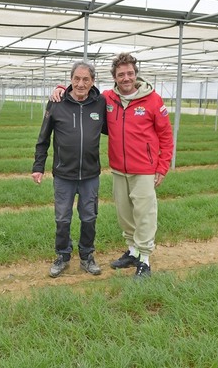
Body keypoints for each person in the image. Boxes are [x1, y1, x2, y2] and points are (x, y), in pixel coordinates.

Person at [52, 52, 174, 278]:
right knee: (125, 214)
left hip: (144, 169)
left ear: (136, 74)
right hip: (119, 168)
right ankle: (132, 251)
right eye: (121, 74)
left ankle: (144, 259)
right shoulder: (107, 99)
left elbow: (166, 135)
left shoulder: (153, 100)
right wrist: (61, 88)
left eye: (129, 73)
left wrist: (162, 166)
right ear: (115, 78)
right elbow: (82, 90)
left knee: (144, 214)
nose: (126, 78)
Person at [32, 60, 107, 278]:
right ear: (70, 79)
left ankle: (87, 256)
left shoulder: (100, 103)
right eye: (76, 78)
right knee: (62, 218)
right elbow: (43, 138)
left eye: (86, 79)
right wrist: (38, 166)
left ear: (93, 81)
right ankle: (63, 256)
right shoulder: (57, 102)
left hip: (90, 175)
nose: (81, 84)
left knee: (89, 217)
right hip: (64, 174)